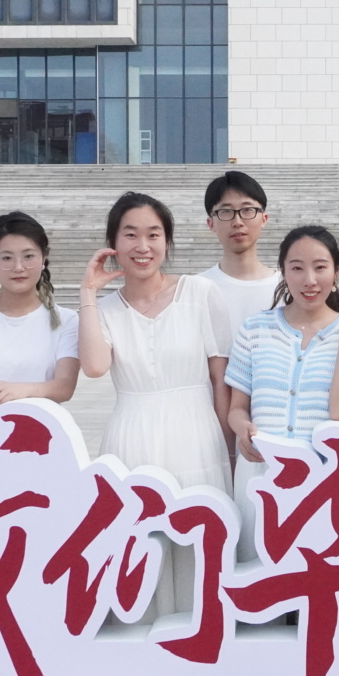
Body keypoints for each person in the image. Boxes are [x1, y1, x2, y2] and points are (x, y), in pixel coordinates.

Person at [78, 193, 233, 613]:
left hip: (196, 437)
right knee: (137, 548)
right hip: (132, 438)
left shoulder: (200, 293)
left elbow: (220, 379)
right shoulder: (105, 308)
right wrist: (88, 292)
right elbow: (94, 366)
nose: (142, 246)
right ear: (113, 243)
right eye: (130, 235)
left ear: (167, 241)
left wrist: (230, 449)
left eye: (153, 234)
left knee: (198, 547)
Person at [226, 226, 339, 557]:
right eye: (297, 267)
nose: (310, 280)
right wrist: (242, 428)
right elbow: (237, 407)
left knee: (314, 575)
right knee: (258, 572)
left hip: (322, 480)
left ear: (336, 271)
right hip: (262, 473)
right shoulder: (254, 328)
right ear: (283, 271)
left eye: (320, 267)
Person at [0, 211, 80, 408]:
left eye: (28, 256)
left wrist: (18, 390)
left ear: (44, 257)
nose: (18, 267)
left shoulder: (67, 320)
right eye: (7, 257)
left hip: (41, 423)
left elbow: (64, 387)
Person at [199, 169, 282, 339]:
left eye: (247, 210)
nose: (237, 222)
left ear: (264, 219)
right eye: (226, 212)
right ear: (210, 223)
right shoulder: (197, 289)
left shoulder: (287, 288)